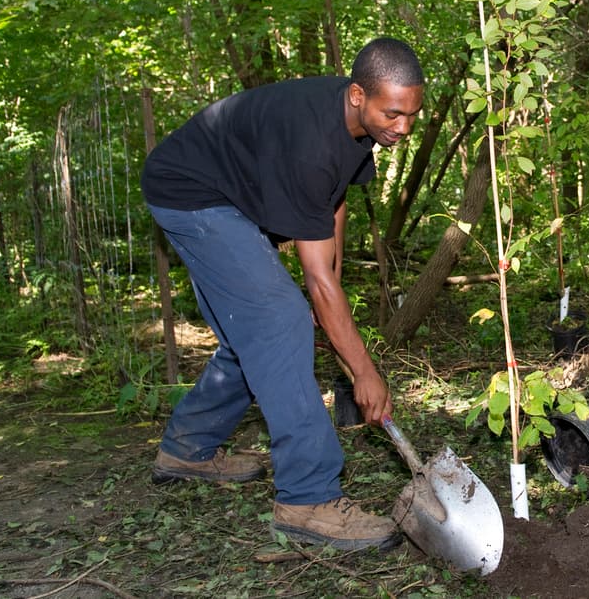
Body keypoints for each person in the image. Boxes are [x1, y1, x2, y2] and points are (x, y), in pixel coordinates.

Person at [140, 37, 424, 550]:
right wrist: (363, 369)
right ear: (358, 94)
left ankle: (188, 448)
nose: (402, 127)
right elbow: (314, 272)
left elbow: (331, 201)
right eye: (394, 113)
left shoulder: (358, 125)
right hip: (192, 194)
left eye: (411, 115)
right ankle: (308, 499)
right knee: (280, 320)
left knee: (255, 334)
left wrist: (330, 280)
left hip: (232, 193)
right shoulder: (311, 141)